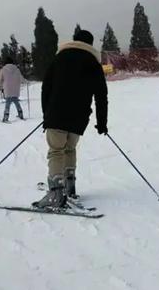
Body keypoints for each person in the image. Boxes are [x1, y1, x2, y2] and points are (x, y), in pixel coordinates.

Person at [34, 29, 108, 208]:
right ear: (90, 44)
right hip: (79, 117)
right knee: (69, 150)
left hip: (57, 114)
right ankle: (69, 186)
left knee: (56, 151)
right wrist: (102, 123)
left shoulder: (59, 58)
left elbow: (46, 88)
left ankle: (55, 194)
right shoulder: (93, 62)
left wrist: (47, 114)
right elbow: (101, 95)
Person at [0, 57, 24, 122]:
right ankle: (20, 114)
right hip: (15, 89)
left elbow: (0, 79)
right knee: (16, 102)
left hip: (8, 89)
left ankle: (6, 117)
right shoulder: (17, 70)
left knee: (7, 104)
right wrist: (26, 81)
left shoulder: (3, 69)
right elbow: (21, 78)